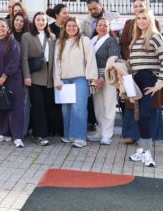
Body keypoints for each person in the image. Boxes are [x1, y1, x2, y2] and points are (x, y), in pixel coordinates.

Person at [125, 8, 163, 167]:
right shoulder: (136, 38)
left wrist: (158, 84)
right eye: (139, 18)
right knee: (138, 115)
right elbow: (133, 63)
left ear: (150, 20)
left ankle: (147, 152)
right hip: (135, 80)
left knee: (144, 115)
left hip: (148, 79)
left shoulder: (155, 37)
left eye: (144, 18)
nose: (141, 21)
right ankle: (141, 150)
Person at [53, 17, 97, 149]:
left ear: (78, 28)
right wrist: (57, 79)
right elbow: (56, 62)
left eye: (74, 26)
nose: (71, 28)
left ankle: (80, 137)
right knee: (66, 109)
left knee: (79, 108)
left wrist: (92, 77)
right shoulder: (60, 42)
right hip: (64, 79)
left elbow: (90, 59)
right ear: (65, 28)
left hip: (80, 78)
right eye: (69, 26)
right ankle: (69, 135)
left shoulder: (84, 40)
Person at [0, 17, 24, 147]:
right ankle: (3, 133)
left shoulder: (13, 42)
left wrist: (5, 75)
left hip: (12, 79)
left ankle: (17, 137)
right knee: (1, 106)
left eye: (3, 26)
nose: (0, 28)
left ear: (8, 28)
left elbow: (15, 61)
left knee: (15, 108)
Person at [22, 12, 56, 146]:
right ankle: (38, 135)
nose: (40, 22)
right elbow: (24, 58)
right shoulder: (27, 36)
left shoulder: (52, 36)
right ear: (34, 21)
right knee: (38, 106)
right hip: (35, 75)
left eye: (43, 20)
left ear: (46, 22)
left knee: (48, 105)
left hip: (49, 76)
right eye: (38, 20)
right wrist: (26, 76)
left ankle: (45, 132)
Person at [88, 17, 121, 145]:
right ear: (96, 27)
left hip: (108, 76)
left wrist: (102, 77)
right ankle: (100, 131)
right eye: (100, 25)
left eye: (105, 25)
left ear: (109, 28)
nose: (102, 27)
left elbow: (112, 61)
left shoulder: (111, 41)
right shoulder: (92, 40)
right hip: (94, 76)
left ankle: (107, 135)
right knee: (98, 106)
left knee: (109, 105)